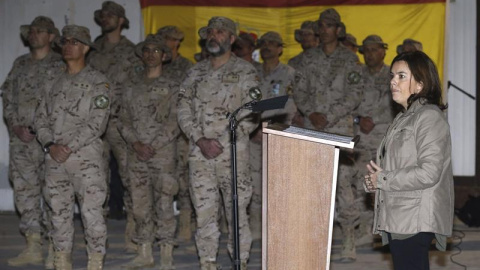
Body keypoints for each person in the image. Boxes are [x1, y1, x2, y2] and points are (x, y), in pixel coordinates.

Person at [177, 16, 258, 270]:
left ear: (232, 39)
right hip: (200, 154)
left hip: (233, 153)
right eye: (210, 32)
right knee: (204, 213)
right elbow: (182, 108)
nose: (213, 36)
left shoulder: (245, 71)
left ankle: (240, 261)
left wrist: (224, 141)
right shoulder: (194, 72)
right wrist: (200, 139)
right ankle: (208, 262)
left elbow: (253, 111)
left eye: (220, 32)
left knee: (236, 213)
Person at [364, 50, 454, 270]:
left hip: (414, 217)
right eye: (392, 76)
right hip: (400, 213)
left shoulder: (428, 117)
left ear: (420, 84)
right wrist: (375, 181)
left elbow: (429, 172)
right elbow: (398, 165)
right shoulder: (404, 118)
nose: (393, 82)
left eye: (401, 76)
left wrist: (383, 179)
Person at [35, 25, 111, 270]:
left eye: (75, 42)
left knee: (92, 214)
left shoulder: (98, 82)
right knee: (57, 213)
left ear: (86, 48)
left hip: (85, 158)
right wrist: (50, 145)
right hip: (54, 158)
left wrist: (67, 147)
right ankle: (61, 260)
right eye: (65, 41)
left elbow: (97, 122)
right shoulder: (51, 81)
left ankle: (95, 262)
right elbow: (39, 118)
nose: (68, 46)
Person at [292, 8, 363, 263]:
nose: (323, 30)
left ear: (338, 30)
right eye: (320, 26)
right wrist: (311, 113)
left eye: (328, 26)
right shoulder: (307, 59)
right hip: (312, 127)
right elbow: (298, 91)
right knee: (314, 184)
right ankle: (316, 238)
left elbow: (355, 94)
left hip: (339, 128)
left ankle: (348, 238)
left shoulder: (350, 59)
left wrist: (328, 115)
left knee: (342, 183)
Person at [2, 16, 63, 268]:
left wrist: (48, 132)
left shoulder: (61, 65)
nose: (34, 34)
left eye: (40, 31)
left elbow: (65, 103)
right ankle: (33, 246)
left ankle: (54, 248)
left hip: (50, 142)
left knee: (54, 194)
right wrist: (15, 125)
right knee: (25, 193)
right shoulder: (20, 64)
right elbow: (8, 98)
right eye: (32, 31)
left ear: (51, 37)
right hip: (22, 142)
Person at [118, 34, 180, 270]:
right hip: (136, 154)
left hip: (162, 154)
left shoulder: (173, 86)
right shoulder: (131, 85)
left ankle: (166, 254)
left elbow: (176, 120)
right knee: (139, 205)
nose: (150, 54)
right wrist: (136, 144)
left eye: (156, 51)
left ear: (164, 56)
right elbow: (122, 119)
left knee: (164, 203)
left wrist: (153, 145)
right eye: (146, 50)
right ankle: (144, 252)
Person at [88, 0, 140, 252]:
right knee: (95, 178)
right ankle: (98, 234)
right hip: (93, 124)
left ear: (121, 21)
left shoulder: (132, 52)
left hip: (120, 122)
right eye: (103, 15)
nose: (106, 18)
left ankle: (133, 232)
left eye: (111, 15)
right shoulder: (91, 50)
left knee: (130, 177)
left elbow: (137, 88)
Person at [248, 31, 303, 240]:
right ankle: (255, 224)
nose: (267, 47)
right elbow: (245, 103)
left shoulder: (289, 73)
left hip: (279, 133)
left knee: (278, 182)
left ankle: (278, 226)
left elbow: (291, 105)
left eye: (272, 44)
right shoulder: (251, 73)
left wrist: (270, 128)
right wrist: (254, 128)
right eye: (264, 44)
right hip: (253, 134)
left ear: (280, 48)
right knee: (253, 181)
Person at [353, 35, 394, 246]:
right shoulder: (356, 76)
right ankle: (365, 227)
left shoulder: (394, 75)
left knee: (383, 182)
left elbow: (398, 103)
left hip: (383, 138)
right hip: (361, 137)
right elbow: (346, 103)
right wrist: (358, 119)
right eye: (366, 50)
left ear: (383, 51)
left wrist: (374, 120)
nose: (369, 54)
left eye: (374, 50)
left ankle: (385, 226)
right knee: (362, 182)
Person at [157, 25, 195, 242]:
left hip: (180, 131)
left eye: (173, 40)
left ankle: (185, 223)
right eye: (166, 39)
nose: (170, 44)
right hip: (154, 133)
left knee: (183, 177)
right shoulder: (149, 66)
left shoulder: (186, 67)